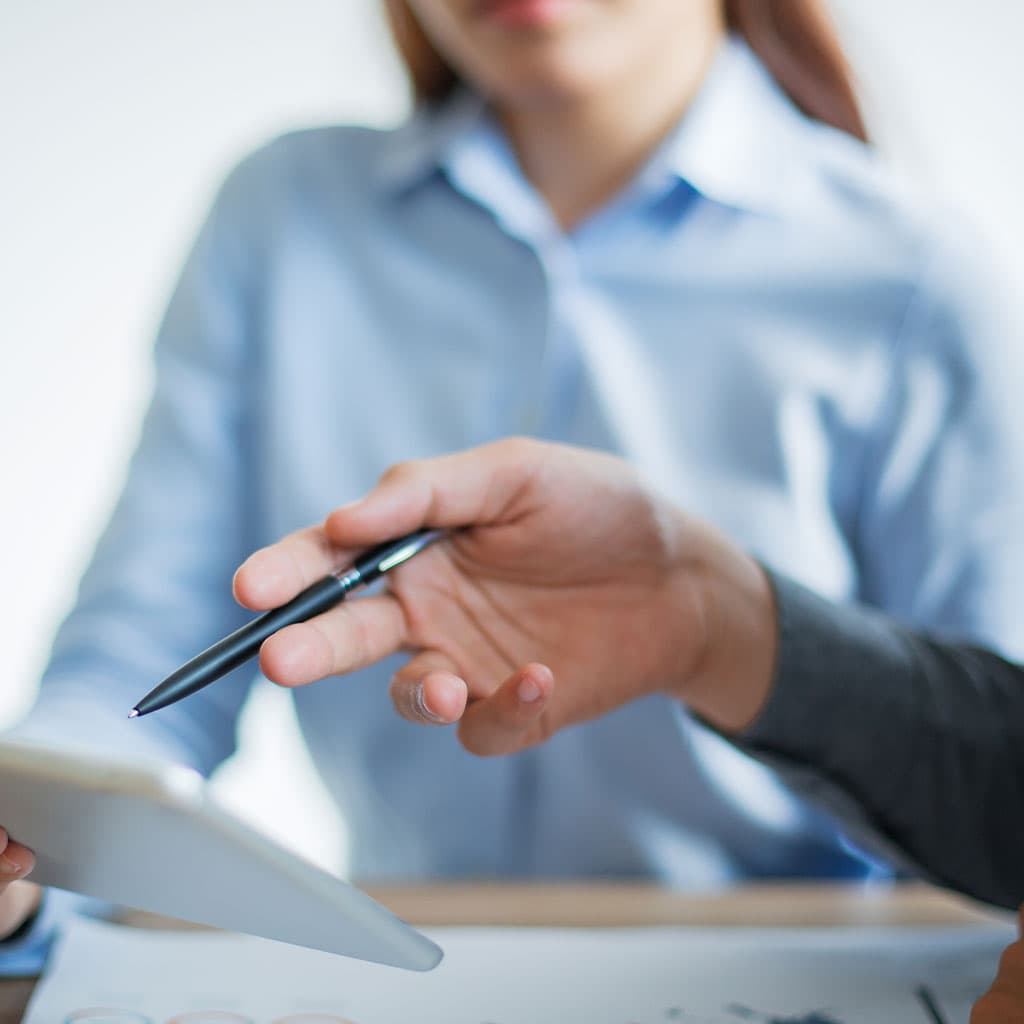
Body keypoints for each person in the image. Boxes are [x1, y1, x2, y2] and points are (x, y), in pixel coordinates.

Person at [2, 0, 1023, 979]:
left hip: (793, 971)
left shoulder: (909, 274)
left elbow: (990, 778)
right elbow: (136, 667)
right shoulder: (285, 215)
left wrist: (726, 624)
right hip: (405, 968)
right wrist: (29, 853)